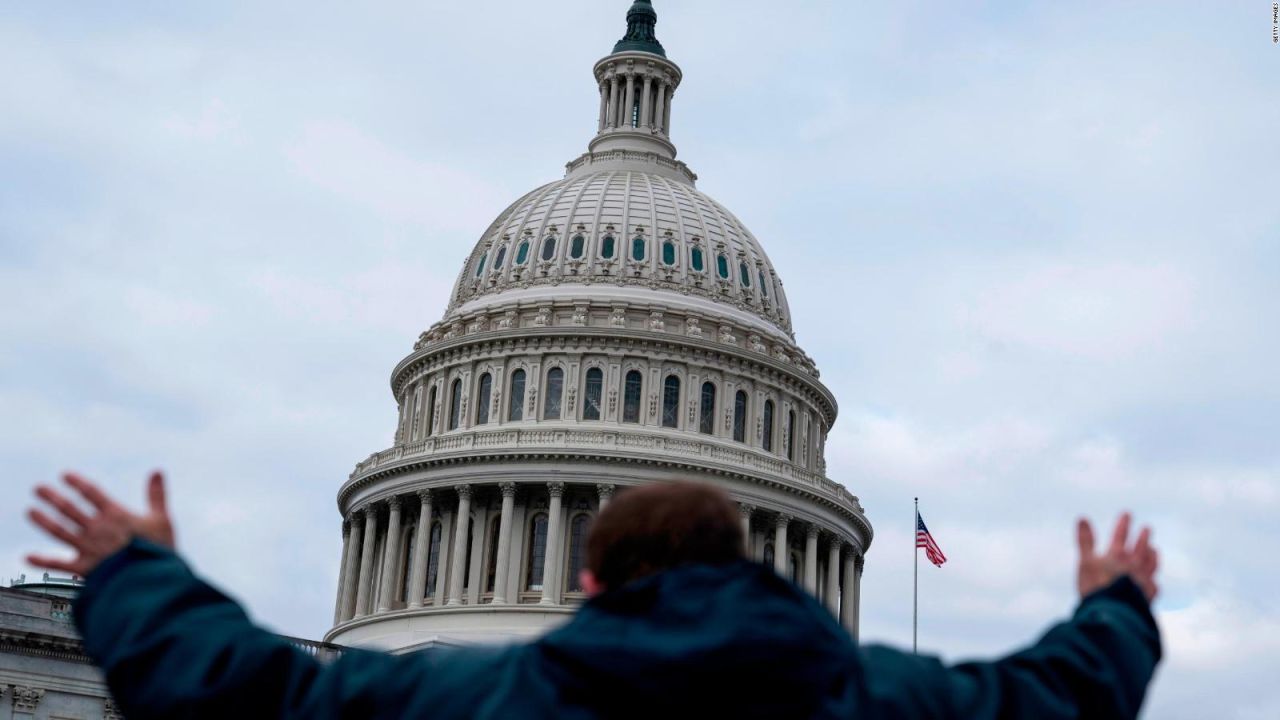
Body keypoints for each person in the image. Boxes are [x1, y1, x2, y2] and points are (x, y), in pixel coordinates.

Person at [26, 472, 1161, 719]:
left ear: (586, 576)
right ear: (752, 554)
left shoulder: (471, 698)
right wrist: (1111, 604)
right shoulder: (888, 702)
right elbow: (1057, 698)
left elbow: (248, 696)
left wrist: (138, 578)